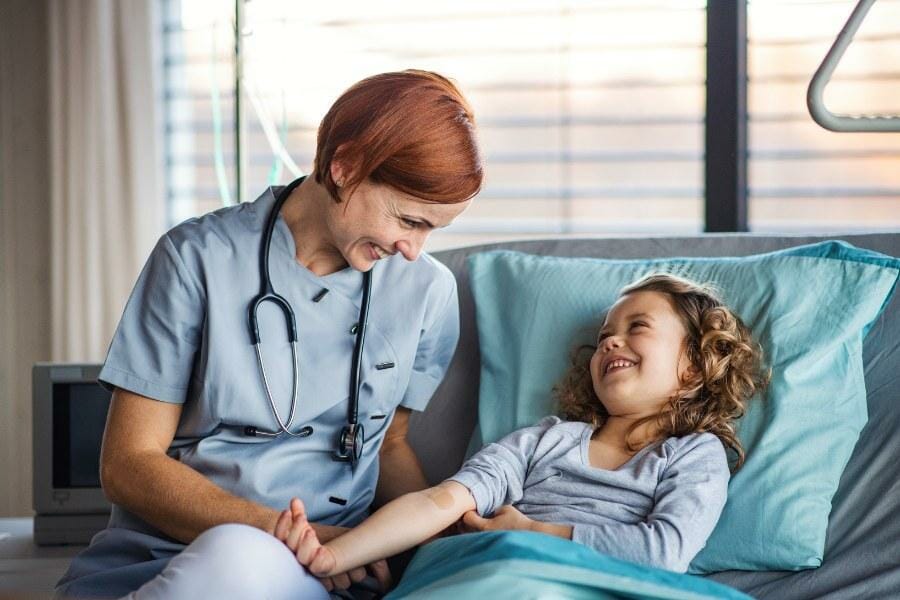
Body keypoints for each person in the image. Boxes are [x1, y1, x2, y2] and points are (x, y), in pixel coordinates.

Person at [55, 70, 483, 599]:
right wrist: (275, 534)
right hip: (180, 553)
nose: (413, 249)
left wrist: (441, 540)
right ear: (344, 166)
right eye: (407, 220)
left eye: (431, 230)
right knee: (238, 563)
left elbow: (389, 445)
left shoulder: (428, 293)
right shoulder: (195, 260)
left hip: (333, 566)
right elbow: (128, 463)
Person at [277, 273, 769, 583]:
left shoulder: (693, 455)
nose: (612, 343)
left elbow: (665, 551)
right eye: (603, 338)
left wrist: (534, 532)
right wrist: (335, 555)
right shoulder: (542, 441)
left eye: (637, 327)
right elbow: (442, 501)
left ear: (696, 366)